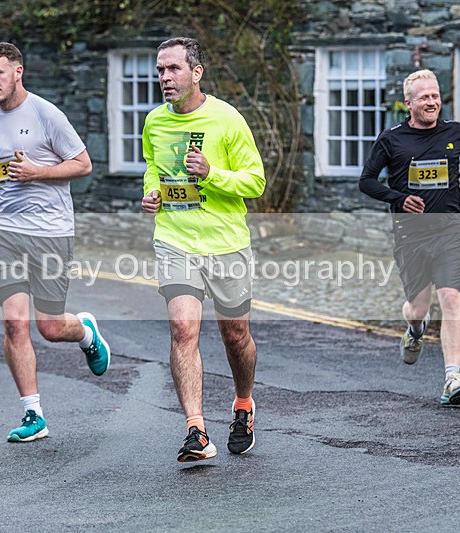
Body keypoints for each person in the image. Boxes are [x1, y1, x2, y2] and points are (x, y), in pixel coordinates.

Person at [0, 42, 111, 443]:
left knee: (48, 326)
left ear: (18, 72)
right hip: (4, 229)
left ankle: (84, 332)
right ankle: (33, 414)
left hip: (50, 230)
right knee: (14, 323)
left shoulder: (46, 114)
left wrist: (37, 172)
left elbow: (83, 164)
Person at [141, 37, 266, 462]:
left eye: (173, 69)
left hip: (226, 242)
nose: (164, 77)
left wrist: (212, 174)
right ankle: (196, 429)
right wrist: (152, 192)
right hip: (174, 239)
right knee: (183, 329)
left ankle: (244, 403)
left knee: (235, 334)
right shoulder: (155, 122)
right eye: (160, 70)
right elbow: (153, 167)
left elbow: (255, 182)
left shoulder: (227, 120)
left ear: (196, 73)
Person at [359, 69, 460, 406]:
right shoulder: (392, 139)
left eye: (435, 96)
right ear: (409, 103)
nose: (432, 102)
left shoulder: (454, 132)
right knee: (418, 307)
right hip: (411, 236)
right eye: (424, 97)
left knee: (451, 297)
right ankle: (415, 331)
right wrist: (397, 197)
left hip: (449, 231)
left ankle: (453, 378)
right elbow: (366, 180)